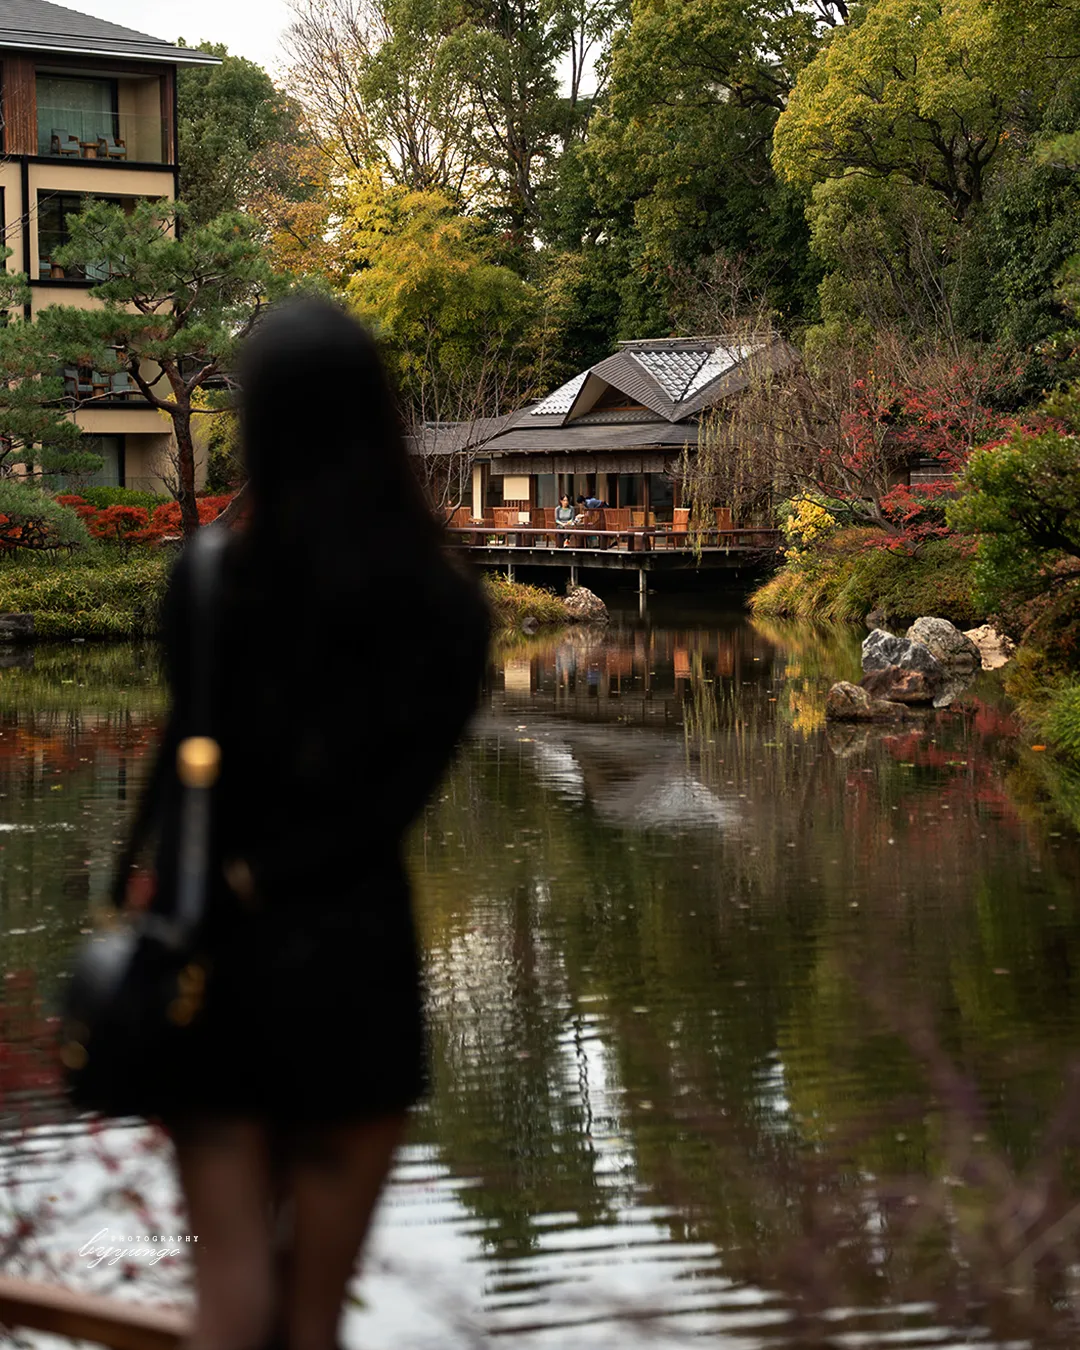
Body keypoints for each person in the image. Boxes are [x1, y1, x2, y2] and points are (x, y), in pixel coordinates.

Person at [111, 298, 490, 1350]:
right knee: (312, 1321)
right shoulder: (446, 605)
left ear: (261, 421)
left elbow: (179, 780)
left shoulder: (209, 580)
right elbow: (387, 809)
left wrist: (182, 897)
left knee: (230, 1304)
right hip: (357, 964)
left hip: (218, 971)